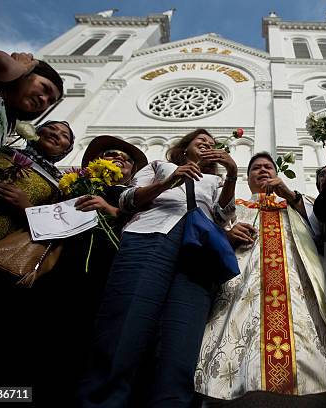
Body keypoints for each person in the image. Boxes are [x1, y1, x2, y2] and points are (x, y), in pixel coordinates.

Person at [79, 129, 238, 408]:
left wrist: (233, 176)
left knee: (182, 339)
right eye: (201, 141)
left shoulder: (214, 180)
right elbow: (126, 200)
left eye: (212, 144)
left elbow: (224, 217)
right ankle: (102, 400)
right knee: (125, 325)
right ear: (184, 147)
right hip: (149, 237)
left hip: (197, 251)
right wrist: (167, 182)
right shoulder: (157, 166)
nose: (207, 144)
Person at [195, 152, 326, 407]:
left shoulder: (297, 202)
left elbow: (322, 228)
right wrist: (227, 234)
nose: (262, 171)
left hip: (295, 279)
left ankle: (312, 387)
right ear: (247, 179)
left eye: (268, 167)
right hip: (246, 279)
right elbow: (214, 228)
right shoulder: (236, 205)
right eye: (256, 168)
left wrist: (289, 194)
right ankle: (241, 385)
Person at [31, 136, 148, 406]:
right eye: (112, 153)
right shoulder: (74, 186)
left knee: (82, 342)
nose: (120, 158)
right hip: (59, 266)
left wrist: (111, 210)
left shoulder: (132, 198)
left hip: (104, 271)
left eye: (127, 158)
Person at [0, 120, 74, 389]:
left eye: (65, 137)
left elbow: (49, 227)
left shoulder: (60, 184)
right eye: (53, 128)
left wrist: (24, 206)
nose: (56, 135)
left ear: (67, 150)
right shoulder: (0, 149)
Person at [0, 32, 64, 173]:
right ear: (27, 72)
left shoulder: (5, 125)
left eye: (50, 101)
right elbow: (0, 65)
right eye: (44, 88)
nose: (44, 99)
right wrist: (19, 67)